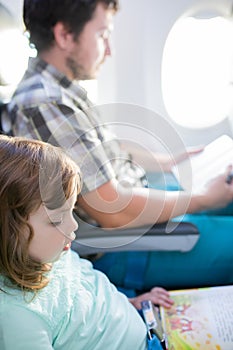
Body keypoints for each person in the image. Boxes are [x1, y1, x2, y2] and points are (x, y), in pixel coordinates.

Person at [8, 0, 233, 297]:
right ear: (64, 35)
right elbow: (109, 210)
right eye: (102, 35)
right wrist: (202, 200)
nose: (110, 49)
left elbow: (102, 154)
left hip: (136, 201)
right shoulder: (46, 103)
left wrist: (167, 163)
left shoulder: (59, 88)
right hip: (127, 241)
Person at [0, 134, 165, 350]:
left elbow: (86, 294)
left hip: (142, 325)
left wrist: (129, 304)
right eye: (57, 219)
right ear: (7, 232)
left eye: (72, 211)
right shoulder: (17, 318)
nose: (73, 225)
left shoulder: (51, 253)